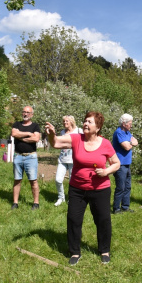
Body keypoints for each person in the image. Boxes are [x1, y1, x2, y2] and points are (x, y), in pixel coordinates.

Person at [45, 111, 120, 265]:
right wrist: (52, 134)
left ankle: (104, 250)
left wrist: (106, 171)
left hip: (100, 189)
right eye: (85, 121)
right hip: (77, 188)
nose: (85, 124)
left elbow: (116, 163)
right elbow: (56, 143)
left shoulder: (105, 143)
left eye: (89, 122)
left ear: (98, 127)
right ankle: (74, 252)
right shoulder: (76, 139)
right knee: (73, 219)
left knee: (103, 220)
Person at [11, 106, 41, 210]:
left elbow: (36, 138)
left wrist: (20, 137)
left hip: (31, 157)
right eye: (24, 112)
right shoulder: (17, 124)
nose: (25, 114)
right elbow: (14, 133)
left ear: (32, 114)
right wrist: (28, 134)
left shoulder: (35, 126)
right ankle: (15, 203)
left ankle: (36, 203)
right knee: (17, 180)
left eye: (28, 112)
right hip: (18, 156)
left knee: (33, 180)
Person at [112, 113, 138, 214]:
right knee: (120, 187)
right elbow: (127, 146)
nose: (131, 125)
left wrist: (131, 143)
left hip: (127, 163)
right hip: (120, 164)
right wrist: (132, 143)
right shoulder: (119, 132)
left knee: (127, 186)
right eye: (130, 123)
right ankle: (116, 208)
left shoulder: (128, 133)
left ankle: (125, 206)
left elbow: (135, 142)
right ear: (124, 123)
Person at [54, 115, 83, 206]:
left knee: (72, 182)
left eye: (67, 121)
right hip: (62, 160)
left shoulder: (78, 131)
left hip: (74, 161)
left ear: (71, 122)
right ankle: (61, 198)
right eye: (64, 121)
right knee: (58, 180)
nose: (65, 123)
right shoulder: (63, 132)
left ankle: (72, 198)